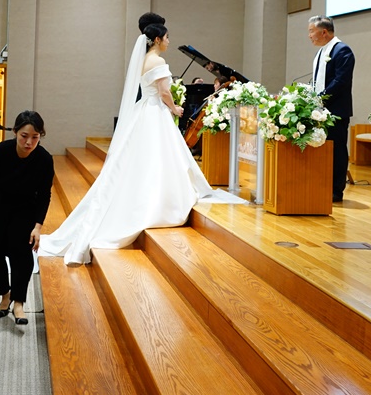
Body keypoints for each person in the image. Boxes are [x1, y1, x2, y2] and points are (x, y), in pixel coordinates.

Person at [39, 23, 236, 265]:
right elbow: (164, 92)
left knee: (145, 157)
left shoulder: (143, 61)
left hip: (144, 111)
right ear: (157, 40)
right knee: (160, 156)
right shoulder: (158, 61)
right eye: (167, 37)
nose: (169, 41)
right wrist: (175, 108)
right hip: (156, 112)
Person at [0, 111, 54, 325]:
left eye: (35, 137)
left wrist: (38, 226)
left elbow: (44, 195)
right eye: (24, 136)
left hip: (24, 212)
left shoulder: (44, 159)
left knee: (22, 257)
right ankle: (5, 295)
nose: (29, 142)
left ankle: (19, 303)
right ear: (15, 132)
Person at [308, 15, 355, 203]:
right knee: (320, 148)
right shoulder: (321, 52)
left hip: (336, 111)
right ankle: (320, 185)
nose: (309, 36)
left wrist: (321, 98)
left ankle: (336, 190)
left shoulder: (342, 51)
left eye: (311, 31)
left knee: (336, 151)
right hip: (320, 110)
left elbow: (341, 81)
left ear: (324, 32)